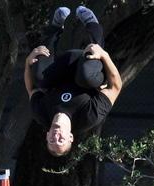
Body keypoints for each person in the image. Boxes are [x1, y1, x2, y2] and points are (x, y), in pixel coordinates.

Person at [24, 6, 122, 156]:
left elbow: (31, 88)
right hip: (88, 65)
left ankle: (55, 27)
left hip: (63, 65)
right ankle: (93, 26)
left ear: (47, 136)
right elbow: (116, 86)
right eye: (61, 140)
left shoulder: (42, 114)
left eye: (52, 140)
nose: (56, 136)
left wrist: (28, 62)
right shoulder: (89, 116)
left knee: (40, 79)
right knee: (85, 78)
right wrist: (104, 55)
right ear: (70, 137)